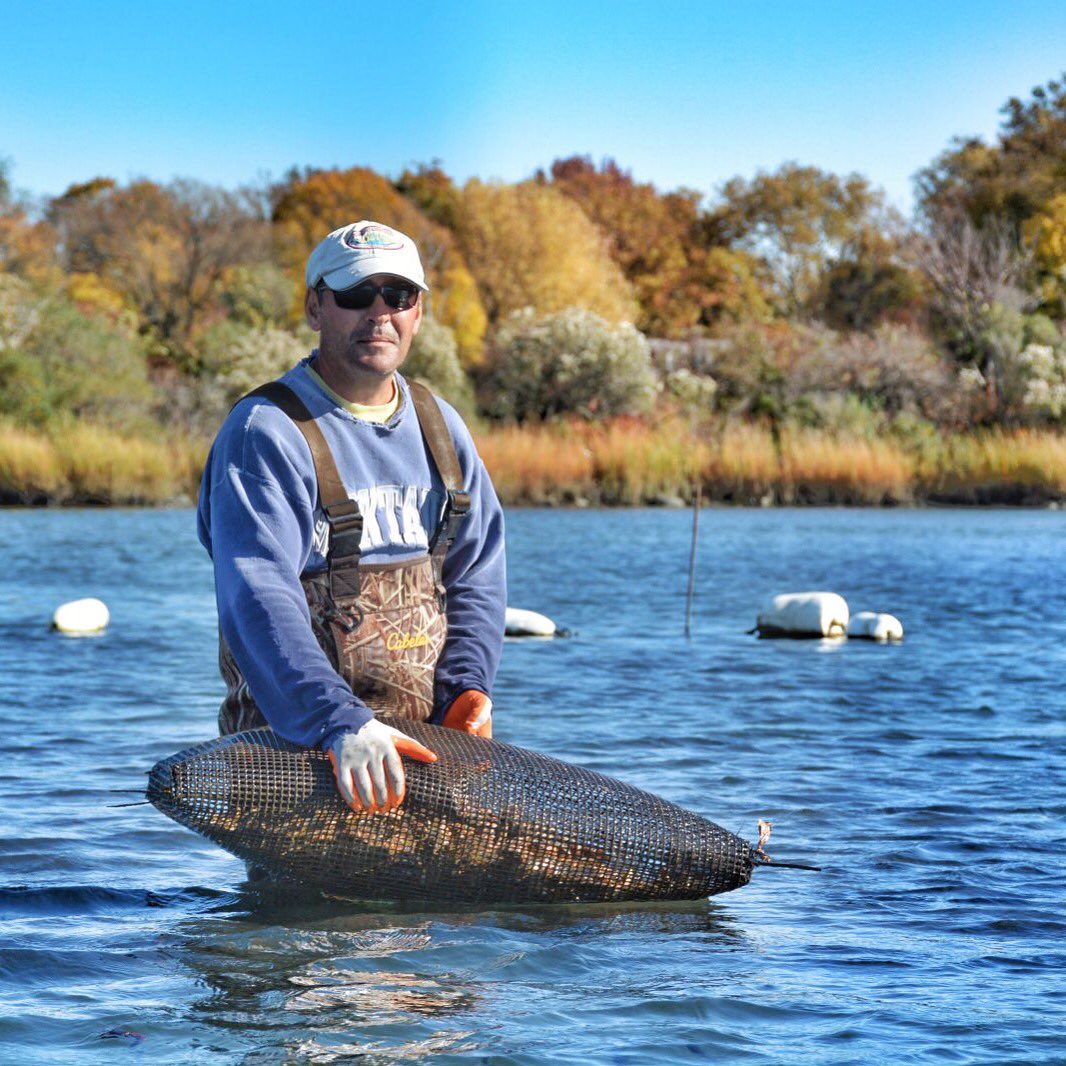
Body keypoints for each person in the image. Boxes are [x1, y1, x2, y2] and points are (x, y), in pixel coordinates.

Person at [197, 220, 506, 817]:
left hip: (426, 755)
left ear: (418, 313)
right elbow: (254, 594)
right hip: (297, 756)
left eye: (399, 296)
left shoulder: (442, 427)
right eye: (356, 295)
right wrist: (337, 724)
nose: (379, 313)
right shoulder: (264, 432)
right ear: (315, 307)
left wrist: (467, 689)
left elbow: (477, 574)